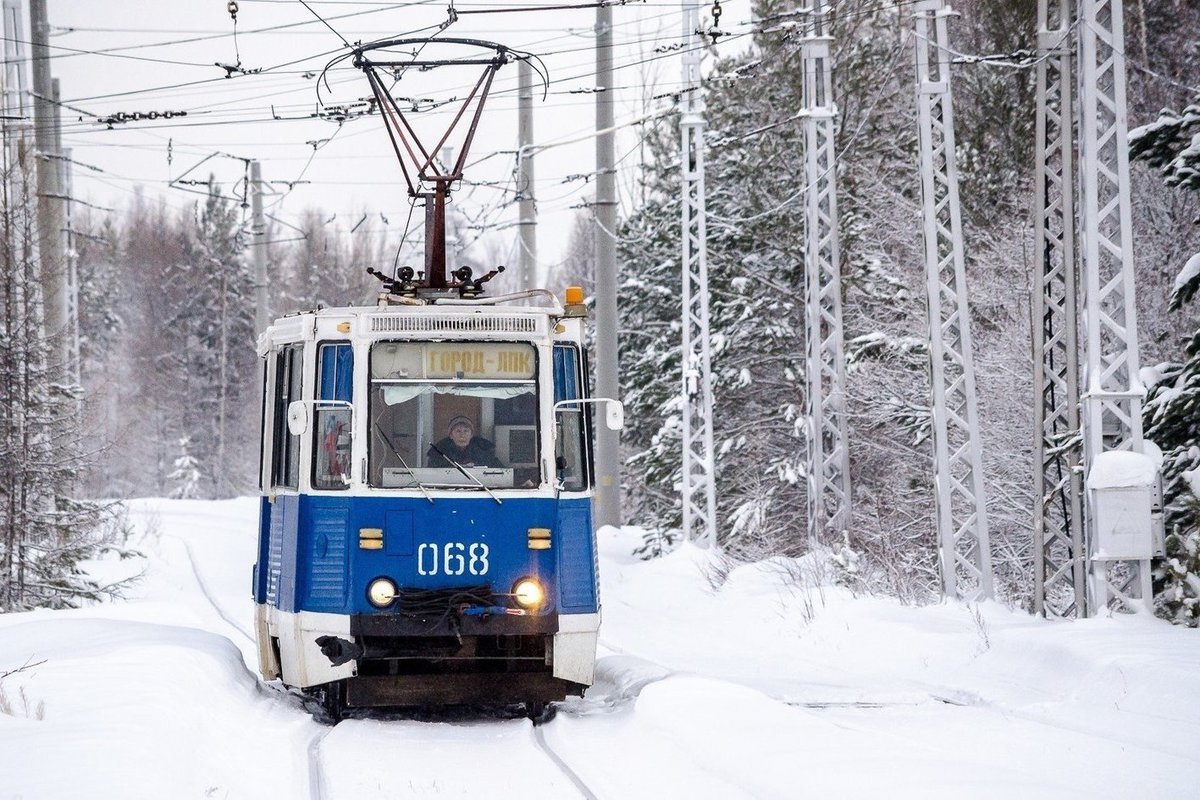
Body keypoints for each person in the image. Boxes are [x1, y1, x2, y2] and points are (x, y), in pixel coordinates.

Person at [427, 416, 504, 468]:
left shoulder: (482, 450)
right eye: (458, 431)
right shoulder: (439, 451)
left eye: (466, 431)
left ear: (471, 435)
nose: (462, 435)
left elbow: (499, 470)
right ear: (451, 435)